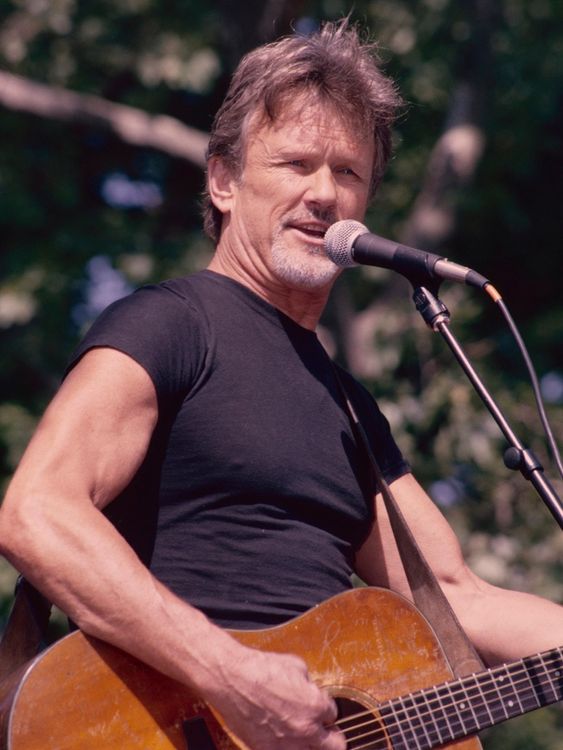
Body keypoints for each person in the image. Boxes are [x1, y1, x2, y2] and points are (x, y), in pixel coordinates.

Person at [0, 19, 562, 750]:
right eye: (295, 164)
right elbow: (35, 513)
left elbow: (457, 599)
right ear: (224, 180)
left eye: (348, 172)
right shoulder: (170, 326)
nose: (324, 193)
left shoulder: (348, 406)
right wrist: (231, 676)